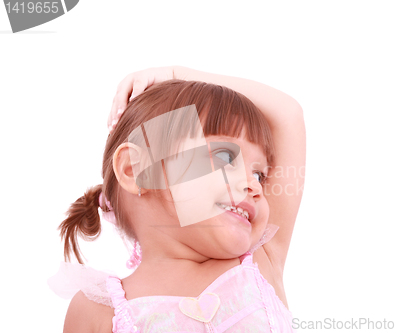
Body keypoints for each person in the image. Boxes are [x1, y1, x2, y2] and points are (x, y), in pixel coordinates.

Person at [53, 66, 306, 332]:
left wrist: (175, 74)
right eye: (225, 157)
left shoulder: (261, 263)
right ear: (136, 170)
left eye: (259, 175)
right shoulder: (99, 309)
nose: (254, 185)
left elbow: (288, 115)